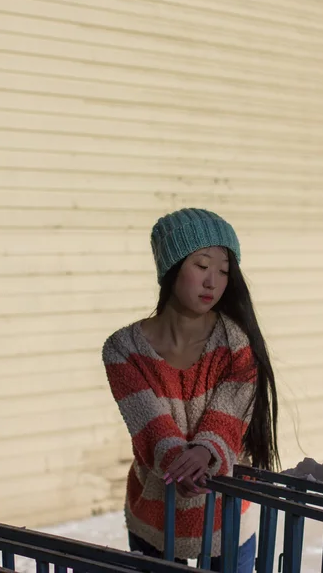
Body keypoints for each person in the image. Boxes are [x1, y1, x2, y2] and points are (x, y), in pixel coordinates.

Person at [102, 208, 280, 572]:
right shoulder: (123, 349)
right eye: (202, 266)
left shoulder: (236, 344)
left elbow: (227, 420)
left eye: (224, 271)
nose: (213, 282)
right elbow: (150, 425)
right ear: (171, 266)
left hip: (227, 514)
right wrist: (180, 466)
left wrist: (205, 453)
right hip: (154, 515)